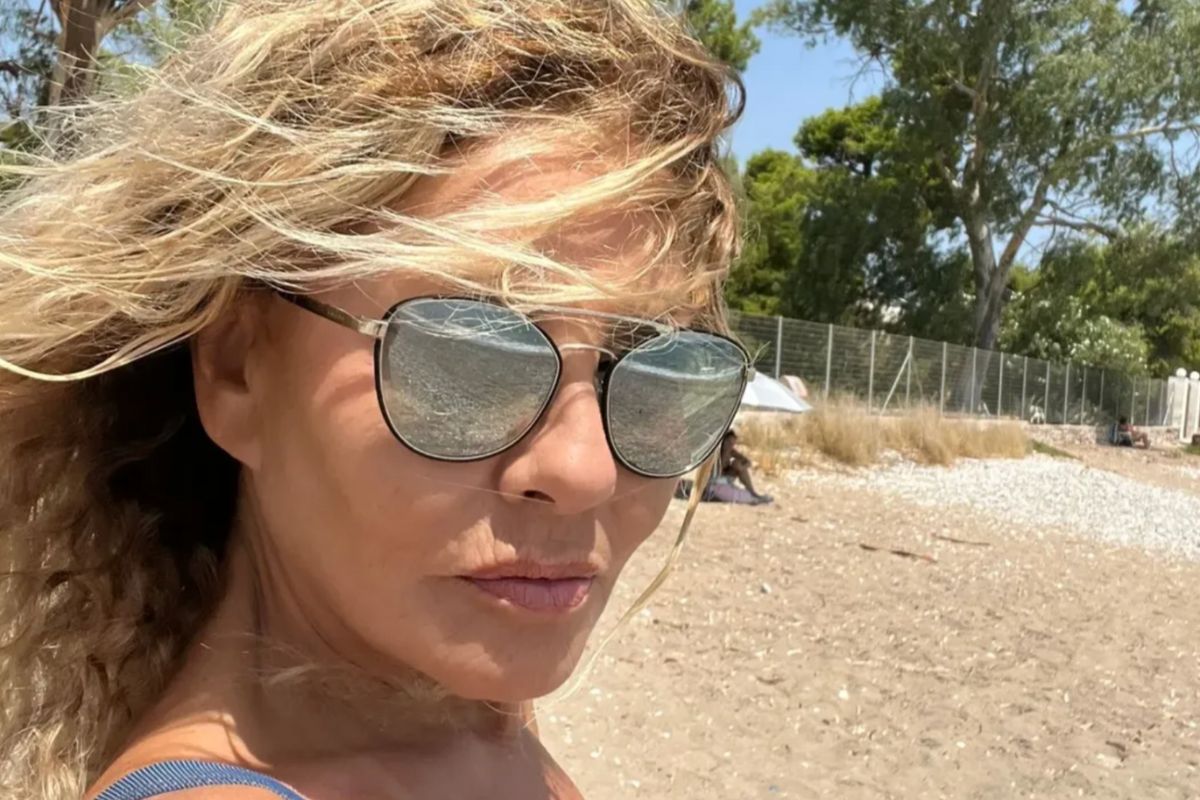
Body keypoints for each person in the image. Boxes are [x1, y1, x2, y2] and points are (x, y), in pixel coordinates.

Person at [0, 2, 749, 799]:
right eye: (468, 355)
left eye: (660, 370)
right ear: (238, 366)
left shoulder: (471, 716)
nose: (585, 469)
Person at [718, 430, 773, 505]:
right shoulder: (718, 452)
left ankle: (753, 493)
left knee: (738, 464)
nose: (730, 445)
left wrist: (740, 467)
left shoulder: (732, 452)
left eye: (732, 443)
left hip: (726, 476)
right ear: (724, 441)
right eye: (729, 442)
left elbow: (748, 462)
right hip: (717, 478)